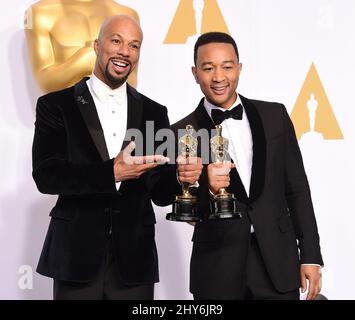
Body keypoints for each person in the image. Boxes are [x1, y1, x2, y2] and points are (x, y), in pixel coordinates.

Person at [32, 15, 176, 300]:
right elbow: (46, 175)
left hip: (135, 260)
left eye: (134, 46)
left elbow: (161, 192)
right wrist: (112, 172)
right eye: (117, 41)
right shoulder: (55, 105)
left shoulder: (155, 112)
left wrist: (183, 178)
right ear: (97, 46)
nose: (125, 51)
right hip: (75, 256)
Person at [171, 32, 323, 300]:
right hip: (216, 267)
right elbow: (173, 198)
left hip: (277, 262)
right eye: (208, 68)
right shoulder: (181, 131)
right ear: (195, 73)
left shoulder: (274, 116)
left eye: (227, 67)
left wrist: (310, 255)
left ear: (239, 68)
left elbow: (297, 188)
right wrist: (204, 186)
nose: (219, 77)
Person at [25, 0, 139, 93]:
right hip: (65, 114)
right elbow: (44, 83)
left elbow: (132, 82)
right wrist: (86, 59)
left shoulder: (128, 14)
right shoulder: (36, 12)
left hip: (115, 113)